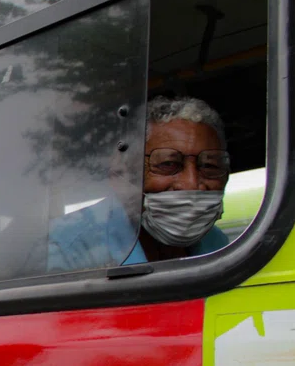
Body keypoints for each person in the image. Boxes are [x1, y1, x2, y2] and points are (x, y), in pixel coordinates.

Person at [48, 96, 231, 272]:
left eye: (209, 166)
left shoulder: (218, 244)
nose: (191, 183)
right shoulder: (66, 246)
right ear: (127, 173)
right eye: (168, 164)